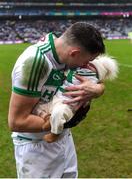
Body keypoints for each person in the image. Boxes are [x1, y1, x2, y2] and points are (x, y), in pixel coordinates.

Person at [8, 22, 105, 178]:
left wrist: (98, 90)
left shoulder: (64, 54)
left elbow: (94, 79)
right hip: (36, 147)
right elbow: (17, 121)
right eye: (86, 61)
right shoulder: (35, 63)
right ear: (74, 53)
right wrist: (62, 122)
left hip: (63, 138)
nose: (86, 66)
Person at [33, 54, 118, 143]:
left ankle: (55, 133)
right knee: (37, 106)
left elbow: (98, 83)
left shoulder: (91, 77)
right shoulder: (77, 69)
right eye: (89, 64)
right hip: (56, 98)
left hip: (68, 103)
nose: (87, 65)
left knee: (59, 113)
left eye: (91, 66)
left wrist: (99, 88)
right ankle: (48, 118)